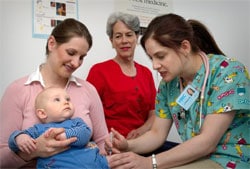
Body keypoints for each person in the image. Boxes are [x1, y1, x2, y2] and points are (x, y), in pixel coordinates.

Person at [106, 13, 250, 169]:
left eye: (160, 56)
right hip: (196, 157)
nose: (155, 65)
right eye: (151, 58)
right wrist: (128, 145)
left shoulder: (229, 72)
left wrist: (149, 162)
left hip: (231, 158)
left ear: (185, 47)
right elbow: (156, 134)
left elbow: (207, 142)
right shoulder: (168, 85)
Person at [0, 18, 108, 168]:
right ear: (52, 43)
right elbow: (2, 158)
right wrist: (35, 150)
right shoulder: (18, 90)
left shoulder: (88, 90)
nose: (76, 63)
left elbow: (103, 141)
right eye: (71, 52)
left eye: (82, 57)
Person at [86, 12, 157, 140]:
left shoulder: (146, 73)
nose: (124, 41)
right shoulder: (99, 71)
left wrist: (142, 130)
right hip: (111, 145)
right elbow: (87, 112)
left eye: (129, 35)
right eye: (118, 36)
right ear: (111, 41)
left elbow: (154, 112)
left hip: (144, 142)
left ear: (137, 37)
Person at [8, 87, 109, 169]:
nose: (66, 102)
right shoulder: (38, 130)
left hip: (95, 163)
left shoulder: (76, 122)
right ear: (42, 113)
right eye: (57, 99)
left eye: (68, 99)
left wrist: (65, 135)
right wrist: (20, 138)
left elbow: (85, 134)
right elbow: (13, 144)